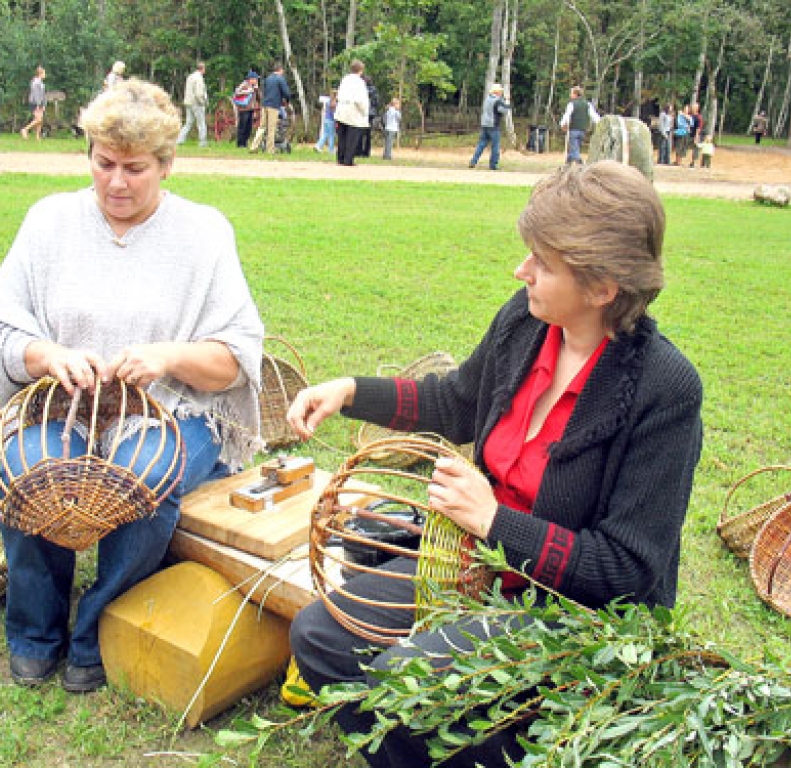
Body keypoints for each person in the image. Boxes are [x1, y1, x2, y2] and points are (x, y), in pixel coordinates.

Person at [287, 160, 703, 767]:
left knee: (409, 680)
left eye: (542, 262)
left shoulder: (664, 389)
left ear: (602, 287)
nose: (522, 270)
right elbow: (457, 401)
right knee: (320, 637)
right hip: (481, 571)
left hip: (571, 617)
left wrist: (493, 521)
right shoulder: (527, 321)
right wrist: (351, 390)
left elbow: (628, 572)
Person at [0, 78, 264, 694]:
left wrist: (167, 356)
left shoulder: (204, 233)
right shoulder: (50, 221)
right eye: (104, 164)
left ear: (166, 164)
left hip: (169, 410)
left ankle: (98, 627)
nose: (116, 183)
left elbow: (236, 360)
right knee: (30, 469)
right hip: (64, 406)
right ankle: (34, 630)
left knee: (143, 479)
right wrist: (46, 354)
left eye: (135, 169)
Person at [334, 59, 369, 167]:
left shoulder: (345, 79)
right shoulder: (359, 82)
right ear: (361, 70)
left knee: (342, 135)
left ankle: (340, 158)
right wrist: (364, 111)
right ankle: (348, 160)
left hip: (341, 109)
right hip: (353, 110)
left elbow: (339, 94)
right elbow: (360, 99)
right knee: (352, 137)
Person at [250, 63, 291, 154]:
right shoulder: (280, 79)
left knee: (262, 127)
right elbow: (286, 92)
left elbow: (264, 91)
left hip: (265, 105)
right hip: (274, 105)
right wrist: (287, 100)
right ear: (280, 70)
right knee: (271, 128)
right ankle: (270, 149)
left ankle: (254, 147)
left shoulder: (267, 79)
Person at [468, 83, 510, 171]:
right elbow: (504, 110)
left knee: (481, 144)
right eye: (500, 91)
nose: (501, 93)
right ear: (497, 92)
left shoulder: (487, 99)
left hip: (485, 124)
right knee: (495, 146)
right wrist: (507, 103)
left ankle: (473, 161)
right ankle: (493, 165)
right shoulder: (498, 101)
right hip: (493, 125)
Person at [559, 85, 599, 164]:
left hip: (574, 129)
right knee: (573, 148)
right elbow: (594, 116)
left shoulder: (572, 104)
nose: (570, 95)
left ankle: (579, 161)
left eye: (571, 93)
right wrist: (600, 123)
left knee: (574, 148)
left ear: (575, 94)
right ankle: (568, 164)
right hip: (583, 130)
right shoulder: (588, 104)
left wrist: (562, 124)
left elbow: (567, 115)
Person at [176, 61, 208, 147]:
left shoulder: (190, 77)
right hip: (196, 103)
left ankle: (179, 140)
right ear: (202, 69)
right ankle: (203, 142)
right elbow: (199, 93)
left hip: (188, 102)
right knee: (201, 123)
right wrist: (203, 102)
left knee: (188, 123)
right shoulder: (199, 78)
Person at [233, 71, 261, 148]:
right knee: (242, 126)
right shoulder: (244, 84)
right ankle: (240, 143)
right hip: (243, 109)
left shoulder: (254, 86)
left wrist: (257, 90)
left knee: (248, 127)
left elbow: (259, 98)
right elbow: (236, 92)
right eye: (255, 79)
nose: (256, 80)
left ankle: (245, 142)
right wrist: (247, 91)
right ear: (251, 79)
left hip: (251, 109)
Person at [20, 66, 46, 140]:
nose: (45, 74)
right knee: (38, 119)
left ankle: (37, 137)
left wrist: (43, 104)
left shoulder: (42, 83)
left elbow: (43, 95)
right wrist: (38, 104)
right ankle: (25, 130)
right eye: (44, 73)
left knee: (40, 120)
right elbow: (36, 94)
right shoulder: (35, 82)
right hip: (34, 103)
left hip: (40, 103)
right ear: (40, 74)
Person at [356, 75, 379, 158]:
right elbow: (376, 102)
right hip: (371, 113)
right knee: (367, 134)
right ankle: (366, 152)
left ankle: (358, 151)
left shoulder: (362, 90)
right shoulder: (374, 90)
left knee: (359, 132)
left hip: (363, 112)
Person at [688, 103, 704, 168]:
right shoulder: (690, 116)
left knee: (695, 149)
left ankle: (693, 162)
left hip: (695, 134)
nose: (692, 108)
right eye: (692, 107)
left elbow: (699, 128)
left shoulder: (698, 117)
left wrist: (696, 136)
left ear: (697, 109)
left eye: (694, 107)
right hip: (689, 134)